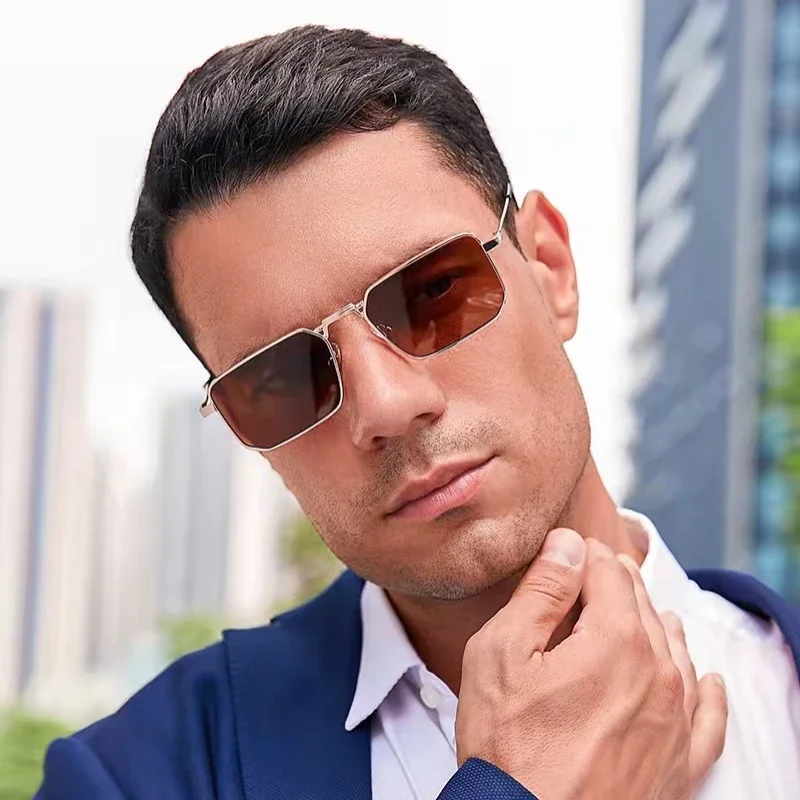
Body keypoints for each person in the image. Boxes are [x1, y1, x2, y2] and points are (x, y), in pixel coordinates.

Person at [38, 25, 800, 799]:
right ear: (245, 432)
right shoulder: (130, 779)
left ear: (550, 268)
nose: (387, 404)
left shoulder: (784, 685)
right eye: (285, 376)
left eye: (432, 293)